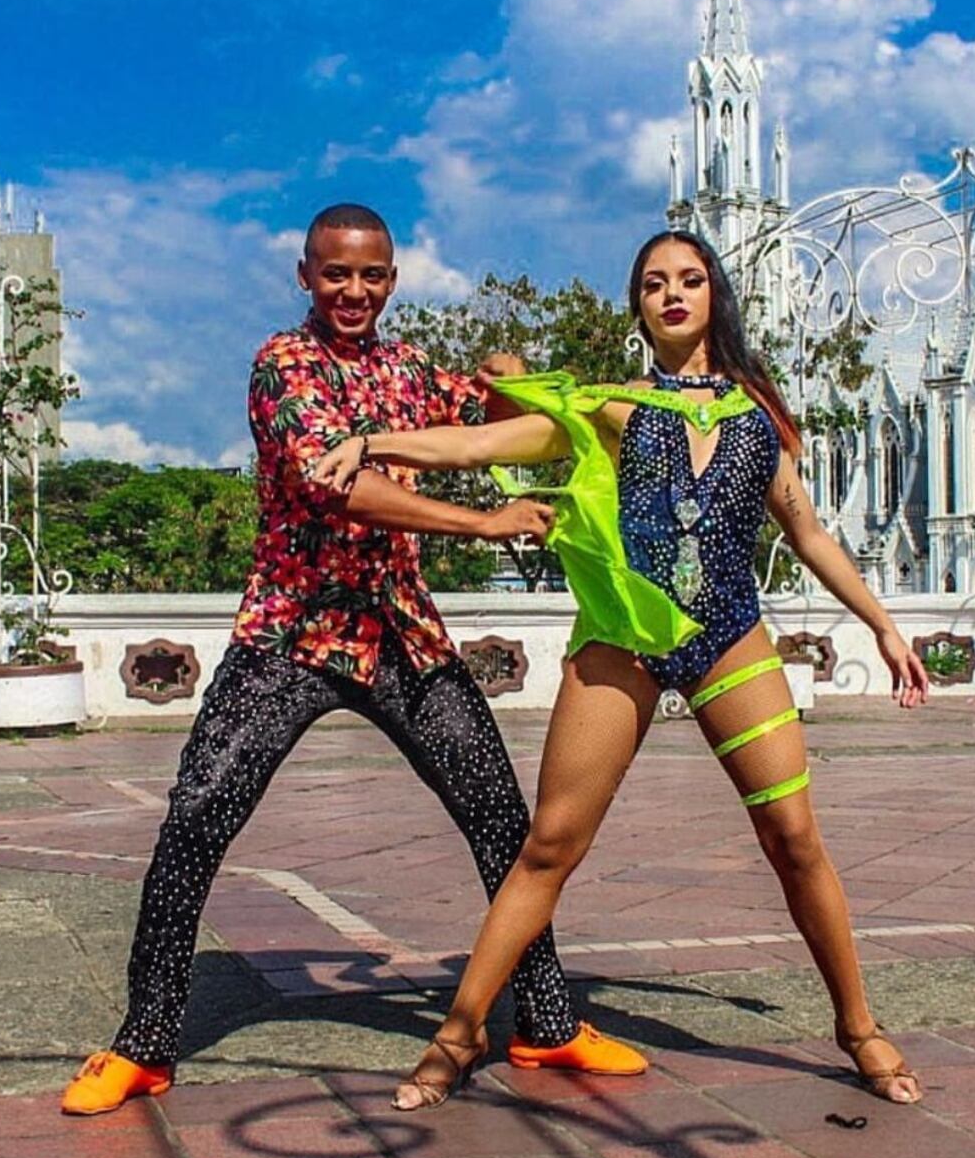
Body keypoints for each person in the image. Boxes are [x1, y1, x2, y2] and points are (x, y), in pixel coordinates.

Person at [313, 228, 931, 1111]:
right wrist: (376, 442)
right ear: (637, 305)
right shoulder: (611, 407)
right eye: (653, 283)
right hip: (624, 638)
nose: (672, 293)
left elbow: (809, 533)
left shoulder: (760, 417)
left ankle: (859, 1027)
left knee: (794, 838)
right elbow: (483, 446)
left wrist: (883, 625)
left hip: (728, 636)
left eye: (689, 278)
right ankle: (457, 1037)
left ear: (714, 292)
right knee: (550, 845)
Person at [59, 204, 644, 1116]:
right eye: (337, 274)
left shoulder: (408, 369)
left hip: (400, 632)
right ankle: (144, 1043)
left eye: (372, 276)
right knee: (198, 816)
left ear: (393, 281)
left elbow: (487, 423)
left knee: (502, 817)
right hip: (291, 632)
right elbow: (349, 487)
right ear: (305, 275)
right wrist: (483, 522)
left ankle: (547, 1021)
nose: (354, 291)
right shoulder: (281, 365)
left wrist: (514, 381)